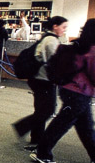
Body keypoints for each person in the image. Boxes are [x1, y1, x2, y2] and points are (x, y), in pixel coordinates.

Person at [31, 18, 95, 163]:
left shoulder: (76, 44)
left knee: (85, 125)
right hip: (80, 93)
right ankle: (42, 153)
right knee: (62, 124)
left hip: (69, 89)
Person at [13, 16, 68, 151]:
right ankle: (23, 127)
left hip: (38, 79)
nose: (65, 30)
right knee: (47, 111)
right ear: (55, 26)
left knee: (41, 110)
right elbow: (56, 62)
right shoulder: (51, 41)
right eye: (63, 27)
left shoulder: (46, 38)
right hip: (43, 80)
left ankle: (36, 139)